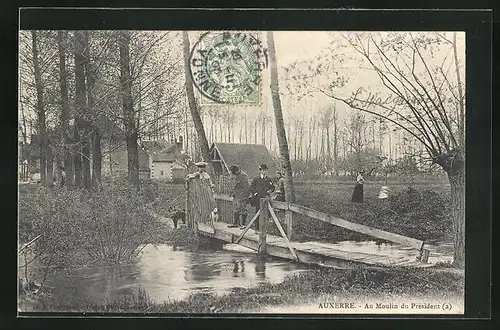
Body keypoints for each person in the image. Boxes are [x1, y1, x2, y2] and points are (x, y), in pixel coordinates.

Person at [186, 161, 216, 229]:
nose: (202, 169)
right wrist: (189, 177)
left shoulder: (206, 175)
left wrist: (211, 186)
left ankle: (207, 217)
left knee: (209, 203)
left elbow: (210, 182)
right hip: (201, 192)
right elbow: (190, 177)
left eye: (203, 167)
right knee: (202, 204)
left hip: (207, 191)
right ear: (198, 168)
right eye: (200, 167)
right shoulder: (196, 174)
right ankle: (201, 219)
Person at [249, 164, 275, 231]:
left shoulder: (268, 179)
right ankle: (257, 228)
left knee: (266, 212)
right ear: (260, 170)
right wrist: (255, 193)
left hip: (266, 197)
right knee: (258, 212)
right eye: (262, 170)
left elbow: (272, 187)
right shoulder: (256, 179)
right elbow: (251, 187)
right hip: (258, 198)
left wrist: (270, 190)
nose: (264, 171)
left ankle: (265, 229)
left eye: (265, 170)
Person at [229, 165, 250, 229]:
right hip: (236, 195)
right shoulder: (236, 175)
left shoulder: (243, 175)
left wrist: (245, 196)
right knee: (235, 209)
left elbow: (246, 187)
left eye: (233, 172)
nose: (233, 173)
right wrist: (232, 192)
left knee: (242, 209)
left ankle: (243, 224)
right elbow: (235, 185)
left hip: (242, 196)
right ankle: (235, 223)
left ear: (236, 171)